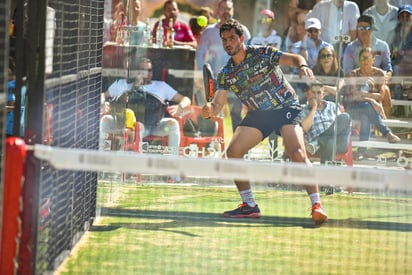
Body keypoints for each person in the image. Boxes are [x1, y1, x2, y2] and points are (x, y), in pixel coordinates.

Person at [202, 19, 328, 224]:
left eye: (232, 38)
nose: (228, 43)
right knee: (233, 152)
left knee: (296, 151)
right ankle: (249, 205)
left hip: (285, 107)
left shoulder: (263, 53)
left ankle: (316, 204)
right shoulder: (226, 74)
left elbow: (295, 58)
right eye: (224, 39)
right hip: (258, 114)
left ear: (241, 38)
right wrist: (208, 111)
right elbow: (216, 106)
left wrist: (303, 66)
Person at [196, 0, 251, 133]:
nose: (226, 12)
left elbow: (249, 54)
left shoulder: (243, 31)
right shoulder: (209, 31)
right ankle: (209, 144)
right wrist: (202, 76)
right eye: (223, 9)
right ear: (218, 11)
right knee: (212, 112)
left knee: (236, 114)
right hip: (215, 79)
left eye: (229, 9)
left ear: (233, 11)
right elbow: (200, 54)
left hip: (237, 79)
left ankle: (239, 149)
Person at [343, 47, 400, 148]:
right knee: (367, 106)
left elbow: (380, 96)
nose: (365, 61)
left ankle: (362, 151)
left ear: (373, 59)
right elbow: (355, 96)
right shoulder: (353, 74)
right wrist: (372, 100)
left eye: (367, 58)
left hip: (368, 110)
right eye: (362, 58)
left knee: (365, 116)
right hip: (353, 108)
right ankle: (387, 133)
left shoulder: (380, 74)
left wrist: (366, 97)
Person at [249, 8, 283, 158]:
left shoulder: (279, 38)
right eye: (262, 19)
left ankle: (273, 154)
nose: (265, 22)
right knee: (253, 117)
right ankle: (246, 151)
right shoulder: (254, 40)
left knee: (273, 118)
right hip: (257, 84)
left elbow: (277, 59)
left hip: (273, 83)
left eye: (268, 19)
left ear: (273, 21)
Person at [343, 15, 393, 115]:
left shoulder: (383, 46)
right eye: (360, 28)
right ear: (357, 29)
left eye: (367, 28)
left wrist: (384, 79)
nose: (363, 31)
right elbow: (347, 72)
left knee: (386, 90)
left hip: (377, 83)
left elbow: (388, 69)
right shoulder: (350, 48)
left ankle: (385, 122)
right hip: (357, 83)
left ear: (372, 29)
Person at [296, 81, 351, 164]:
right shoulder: (302, 109)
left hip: (339, 142)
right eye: (313, 92)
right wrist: (314, 108)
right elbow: (304, 128)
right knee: (329, 143)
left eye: (319, 93)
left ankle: (318, 141)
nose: (316, 95)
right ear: (307, 94)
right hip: (316, 148)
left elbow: (342, 124)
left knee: (345, 116)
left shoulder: (332, 106)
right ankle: (325, 173)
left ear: (322, 94)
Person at [391, 5, 412, 77]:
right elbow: (394, 53)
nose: (405, 18)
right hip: (400, 65)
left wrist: (403, 53)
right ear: (399, 19)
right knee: (394, 68)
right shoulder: (395, 33)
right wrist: (397, 63)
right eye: (402, 16)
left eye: (408, 16)